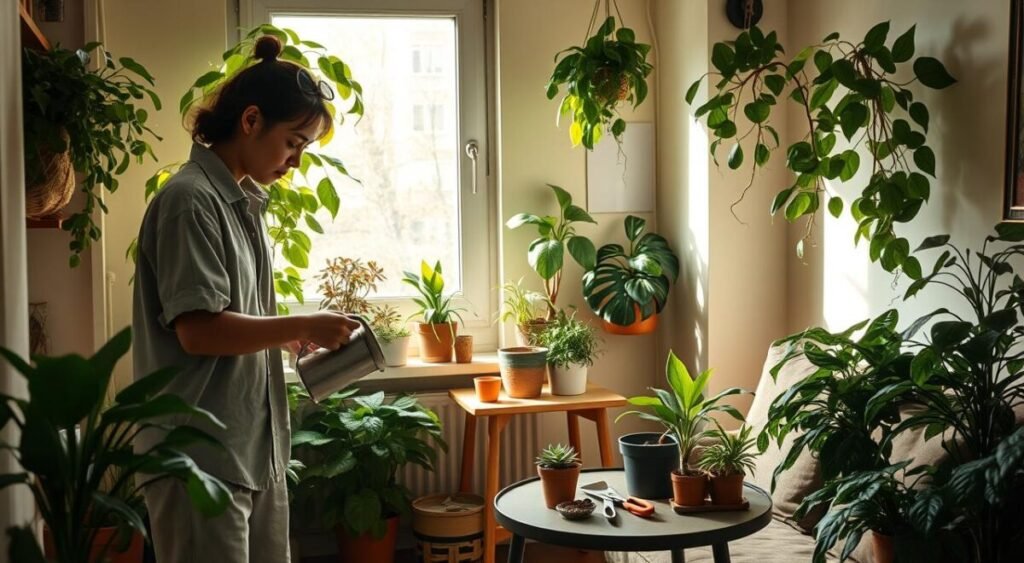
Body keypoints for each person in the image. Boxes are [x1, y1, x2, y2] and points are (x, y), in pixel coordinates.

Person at [132, 35, 357, 563]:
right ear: (251, 121)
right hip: (201, 460)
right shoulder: (190, 201)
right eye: (293, 142)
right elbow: (199, 330)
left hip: (251, 452)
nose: (296, 162)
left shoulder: (241, 202)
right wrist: (298, 322)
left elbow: (233, 323)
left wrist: (293, 337)